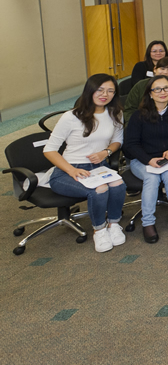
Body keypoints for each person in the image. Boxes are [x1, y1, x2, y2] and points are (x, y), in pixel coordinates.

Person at [44, 74, 128, 253]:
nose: (105, 94)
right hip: (67, 170)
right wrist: (72, 170)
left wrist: (105, 152)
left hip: (98, 167)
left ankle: (113, 225)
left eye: (110, 91)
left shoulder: (115, 113)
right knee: (100, 190)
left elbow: (117, 141)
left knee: (119, 184)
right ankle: (99, 230)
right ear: (90, 90)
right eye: (100, 90)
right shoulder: (71, 117)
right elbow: (49, 150)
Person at [123, 76, 168, 244]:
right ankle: (148, 223)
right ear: (150, 93)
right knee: (151, 178)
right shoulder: (139, 115)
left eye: (166, 88)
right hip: (142, 159)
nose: (162, 92)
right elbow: (131, 144)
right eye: (157, 89)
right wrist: (148, 160)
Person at [124, 57, 168, 125]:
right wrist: (135, 123)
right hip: (143, 122)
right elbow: (129, 109)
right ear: (155, 69)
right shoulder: (140, 85)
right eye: (162, 69)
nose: (165, 72)